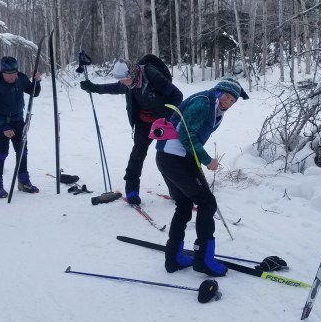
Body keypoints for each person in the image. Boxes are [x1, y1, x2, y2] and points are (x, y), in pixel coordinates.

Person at [155, 77, 248, 277]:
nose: (228, 102)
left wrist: (195, 158)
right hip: (175, 157)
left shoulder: (214, 107)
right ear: (219, 91)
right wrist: (206, 159)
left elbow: (192, 135)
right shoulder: (204, 103)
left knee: (184, 204)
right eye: (227, 96)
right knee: (207, 202)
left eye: (232, 101)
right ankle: (204, 259)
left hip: (171, 157)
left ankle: (174, 258)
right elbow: (186, 135)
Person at [79, 54, 183, 205]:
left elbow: (177, 95)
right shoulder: (129, 82)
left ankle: (177, 191)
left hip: (162, 121)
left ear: (132, 74)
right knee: (137, 154)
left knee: (167, 155)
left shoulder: (151, 75)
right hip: (143, 122)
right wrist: (94, 88)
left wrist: (169, 119)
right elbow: (115, 87)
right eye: (119, 79)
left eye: (123, 79)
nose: (121, 82)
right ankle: (132, 190)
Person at [0, 56, 42, 198]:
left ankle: (23, 181)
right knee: (1, 152)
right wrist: (3, 126)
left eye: (14, 73)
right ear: (2, 72)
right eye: (9, 74)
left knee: (22, 151)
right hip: (1, 123)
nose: (13, 77)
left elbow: (34, 92)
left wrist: (37, 82)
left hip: (18, 121)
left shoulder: (20, 78)